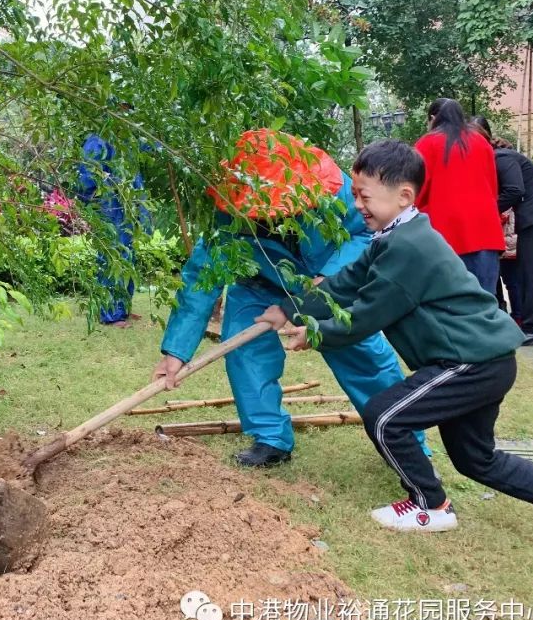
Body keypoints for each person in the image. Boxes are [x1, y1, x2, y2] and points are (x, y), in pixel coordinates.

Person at [257, 139, 533, 538]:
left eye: (364, 196)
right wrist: (292, 309)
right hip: (482, 360)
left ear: (403, 196)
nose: (357, 204)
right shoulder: (396, 236)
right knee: (477, 460)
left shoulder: (409, 247)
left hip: (471, 362)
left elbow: (365, 315)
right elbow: (344, 284)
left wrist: (314, 332)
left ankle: (429, 506)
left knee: (385, 417)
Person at [152, 129, 426, 468]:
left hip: (327, 280)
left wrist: (330, 277)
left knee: (361, 355)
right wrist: (175, 352)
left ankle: (405, 441)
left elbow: (365, 233)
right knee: (244, 351)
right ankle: (270, 438)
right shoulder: (228, 207)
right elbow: (200, 280)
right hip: (258, 282)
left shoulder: (337, 189)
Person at [471, 117, 533, 344]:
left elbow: (514, 190)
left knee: (530, 273)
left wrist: (486, 210)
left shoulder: (502, 158)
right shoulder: (498, 158)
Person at [415, 98, 505, 292]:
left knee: (452, 303)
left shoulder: (427, 143)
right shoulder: (481, 142)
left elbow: (416, 191)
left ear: (432, 119)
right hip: (486, 231)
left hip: (447, 235)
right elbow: (492, 186)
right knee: (485, 301)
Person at [76, 133, 150, 327]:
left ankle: (122, 309)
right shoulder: (99, 140)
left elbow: (148, 148)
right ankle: (110, 314)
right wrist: (104, 198)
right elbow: (88, 178)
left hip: (127, 209)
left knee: (127, 258)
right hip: (110, 208)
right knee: (112, 258)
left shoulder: (127, 139)